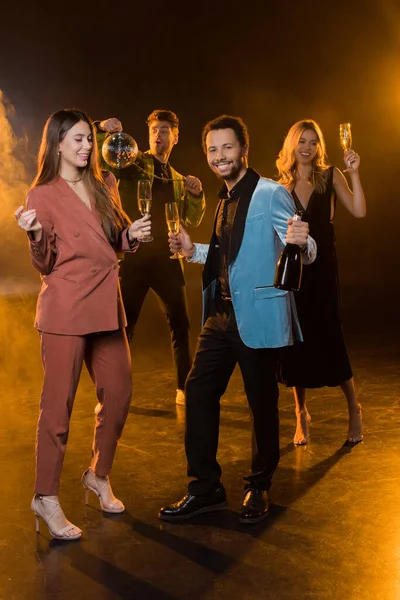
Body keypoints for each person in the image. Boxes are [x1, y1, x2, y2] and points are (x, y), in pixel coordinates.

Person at [158, 115, 316, 524]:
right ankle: (206, 488)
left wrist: (305, 242)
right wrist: (193, 250)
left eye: (226, 147)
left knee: (261, 404)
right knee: (197, 392)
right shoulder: (225, 199)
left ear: (243, 150)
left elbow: (304, 243)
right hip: (222, 314)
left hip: (259, 314)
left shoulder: (270, 193)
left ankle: (259, 487)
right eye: (212, 149)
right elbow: (229, 256)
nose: (218, 156)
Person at [15, 109, 151, 541]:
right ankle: (45, 497)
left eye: (88, 139)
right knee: (57, 409)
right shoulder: (41, 195)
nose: (86, 146)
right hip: (65, 309)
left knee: (121, 393)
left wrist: (134, 235)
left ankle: (98, 474)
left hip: (106, 305)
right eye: (77, 139)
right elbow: (45, 263)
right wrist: (35, 236)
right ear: (56, 143)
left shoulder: (104, 184)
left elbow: (116, 238)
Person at [96, 110, 206, 405]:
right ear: (148, 135)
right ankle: (111, 393)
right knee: (124, 327)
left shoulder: (179, 180)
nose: (159, 134)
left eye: (165, 130)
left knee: (180, 323)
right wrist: (102, 129)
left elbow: (192, 220)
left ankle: (185, 388)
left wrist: (196, 194)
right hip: (134, 257)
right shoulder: (132, 163)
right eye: (155, 129)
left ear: (175, 137)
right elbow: (102, 156)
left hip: (167, 260)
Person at [276, 119, 366, 445]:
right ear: (292, 144)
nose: (308, 147)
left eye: (314, 142)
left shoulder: (330, 176)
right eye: (302, 140)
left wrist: (354, 172)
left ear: (319, 146)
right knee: (295, 338)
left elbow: (358, 210)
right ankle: (300, 412)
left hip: (324, 265)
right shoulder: (280, 186)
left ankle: (354, 408)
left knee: (329, 333)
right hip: (296, 267)